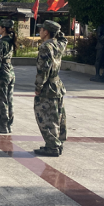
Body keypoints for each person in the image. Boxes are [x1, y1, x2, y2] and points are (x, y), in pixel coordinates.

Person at [33, 20, 68, 157]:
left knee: (45, 116)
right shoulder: (58, 44)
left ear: (46, 32)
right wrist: (58, 32)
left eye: (41, 29)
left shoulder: (46, 46)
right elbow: (64, 39)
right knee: (57, 115)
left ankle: (52, 146)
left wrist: (39, 86)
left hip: (48, 87)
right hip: (57, 84)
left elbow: (43, 69)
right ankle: (57, 143)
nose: (40, 31)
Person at [0, 19, 16, 134]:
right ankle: (9, 124)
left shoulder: (0, 43)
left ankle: (3, 125)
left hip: (1, 73)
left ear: (4, 29)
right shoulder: (10, 41)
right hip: (10, 71)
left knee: (2, 100)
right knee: (9, 99)